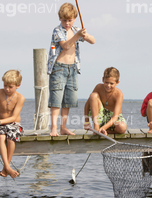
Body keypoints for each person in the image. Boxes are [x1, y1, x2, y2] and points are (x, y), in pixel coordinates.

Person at [47, 2, 95, 136]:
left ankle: (63, 127)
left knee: (67, 100)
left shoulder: (76, 30)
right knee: (56, 100)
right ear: (59, 19)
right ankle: (53, 128)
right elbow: (66, 46)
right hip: (58, 68)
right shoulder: (57, 30)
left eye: (69, 20)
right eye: (64, 20)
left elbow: (93, 41)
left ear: (74, 19)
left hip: (73, 69)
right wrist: (78, 35)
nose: (67, 23)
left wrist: (85, 35)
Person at [84, 67, 127, 135]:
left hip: (114, 118)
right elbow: (87, 105)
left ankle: (104, 130)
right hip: (101, 116)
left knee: (122, 127)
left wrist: (104, 127)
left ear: (117, 83)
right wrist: (86, 122)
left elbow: (115, 117)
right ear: (103, 79)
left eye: (111, 83)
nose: (108, 85)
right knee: (93, 95)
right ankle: (96, 128)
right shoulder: (98, 87)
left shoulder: (119, 94)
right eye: (106, 82)